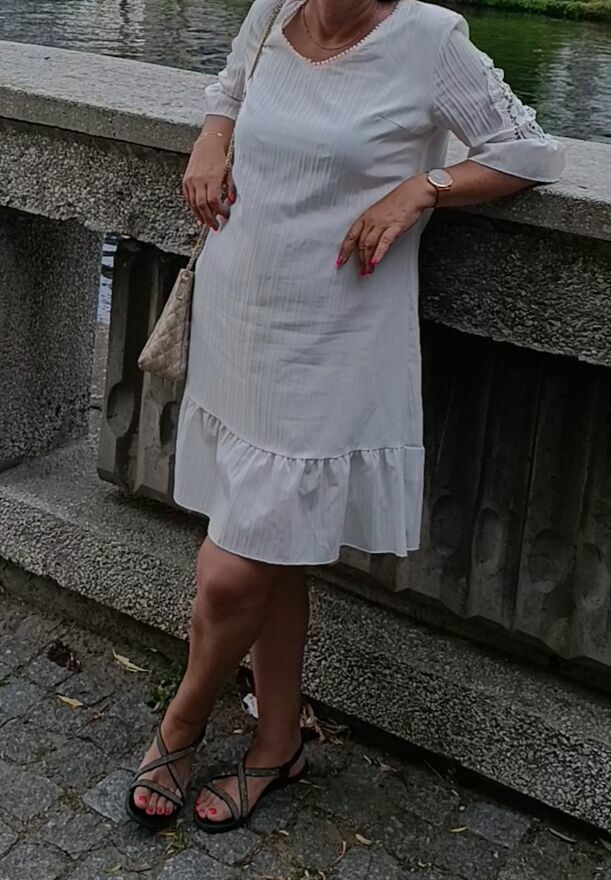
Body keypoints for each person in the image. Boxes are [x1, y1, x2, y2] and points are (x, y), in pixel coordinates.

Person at [126, 0, 564, 833]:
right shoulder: (272, 9)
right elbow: (230, 88)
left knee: (229, 571)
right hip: (241, 315)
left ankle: (180, 724)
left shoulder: (430, 38)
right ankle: (277, 742)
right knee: (273, 550)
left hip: (329, 343)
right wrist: (214, 134)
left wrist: (424, 188)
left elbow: (530, 151)